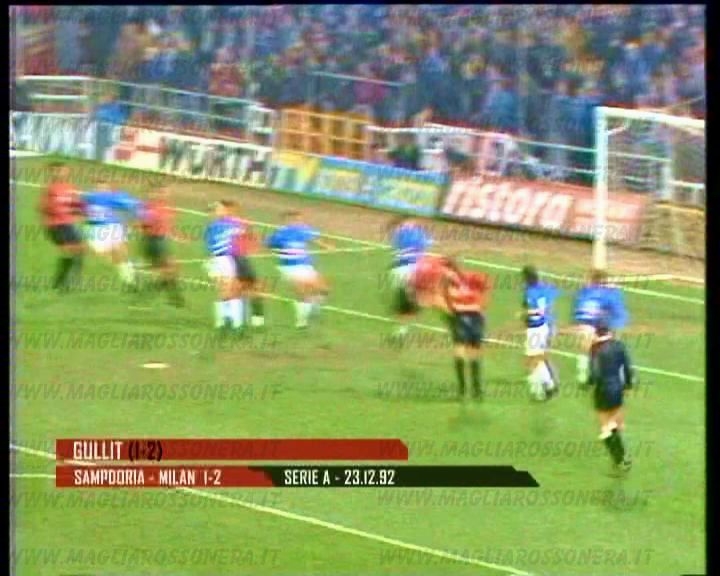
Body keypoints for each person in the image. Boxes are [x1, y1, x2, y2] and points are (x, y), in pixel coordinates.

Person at [265, 210, 333, 328]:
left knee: (324, 289)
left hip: (305, 265)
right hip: (291, 267)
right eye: (297, 219)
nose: (300, 222)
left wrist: (326, 246)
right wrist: (278, 252)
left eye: (300, 219)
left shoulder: (302, 230)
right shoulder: (280, 234)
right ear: (288, 220)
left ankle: (313, 310)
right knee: (304, 293)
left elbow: (313, 238)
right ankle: (301, 322)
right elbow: (269, 244)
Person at [440, 257, 492, 400]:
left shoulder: (465, 278)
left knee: (469, 352)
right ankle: (468, 390)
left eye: (445, 271)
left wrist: (483, 304)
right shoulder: (449, 284)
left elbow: (486, 284)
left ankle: (471, 390)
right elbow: (446, 302)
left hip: (470, 317)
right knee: (463, 352)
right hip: (465, 317)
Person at [588, 322, 634, 474]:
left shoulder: (595, 348)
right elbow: (627, 367)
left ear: (597, 333)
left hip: (602, 390)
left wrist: (590, 383)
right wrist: (628, 385)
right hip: (617, 389)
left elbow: (594, 373)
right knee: (615, 423)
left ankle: (619, 460)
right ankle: (623, 457)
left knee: (605, 426)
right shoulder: (619, 346)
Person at [572, 269, 629, 385]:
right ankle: (619, 377)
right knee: (610, 349)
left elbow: (579, 310)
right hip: (600, 325)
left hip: (592, 325)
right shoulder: (606, 293)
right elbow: (615, 311)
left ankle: (585, 375)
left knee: (589, 348)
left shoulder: (585, 293)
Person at [82, 179, 142, 289]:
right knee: (109, 254)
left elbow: (134, 205)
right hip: (96, 231)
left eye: (104, 188)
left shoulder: (111, 197)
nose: (101, 190)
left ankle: (130, 280)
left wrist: (136, 219)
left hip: (112, 227)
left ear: (108, 189)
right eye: (99, 187)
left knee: (120, 251)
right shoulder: (90, 197)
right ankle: (129, 272)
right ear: (95, 188)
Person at [37, 162, 85, 291]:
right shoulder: (50, 188)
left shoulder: (70, 187)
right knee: (69, 251)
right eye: (57, 171)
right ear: (53, 173)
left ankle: (70, 279)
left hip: (68, 224)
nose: (61, 173)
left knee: (80, 250)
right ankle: (62, 283)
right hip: (55, 225)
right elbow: (42, 208)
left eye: (63, 171)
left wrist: (80, 211)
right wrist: (47, 222)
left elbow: (76, 204)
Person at [138, 184, 184, 307]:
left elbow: (169, 225)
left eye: (166, 192)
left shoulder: (168, 208)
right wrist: (149, 224)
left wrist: (178, 236)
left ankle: (172, 298)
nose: (165, 195)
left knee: (170, 271)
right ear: (157, 193)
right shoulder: (149, 207)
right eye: (162, 192)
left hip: (161, 240)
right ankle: (173, 298)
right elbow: (144, 225)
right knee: (170, 269)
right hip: (153, 242)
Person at [204, 200, 247, 331]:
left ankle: (225, 322)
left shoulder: (233, 223)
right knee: (229, 291)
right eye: (217, 209)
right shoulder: (213, 227)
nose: (219, 211)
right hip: (222, 260)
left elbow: (242, 233)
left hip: (227, 260)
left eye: (221, 209)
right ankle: (233, 323)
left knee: (230, 291)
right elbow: (211, 246)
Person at [388, 216, 433, 339]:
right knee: (415, 296)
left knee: (407, 297)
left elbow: (395, 242)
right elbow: (427, 244)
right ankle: (417, 303)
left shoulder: (398, 234)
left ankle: (402, 326)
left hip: (398, 270)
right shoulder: (420, 233)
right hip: (413, 269)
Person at [521, 265, 560, 401]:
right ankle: (549, 385)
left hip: (537, 327)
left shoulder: (530, 292)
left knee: (534, 360)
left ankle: (540, 389)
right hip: (545, 325)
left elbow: (534, 310)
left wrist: (524, 313)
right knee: (539, 357)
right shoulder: (545, 288)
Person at [226, 203, 265, 327]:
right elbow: (253, 236)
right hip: (237, 258)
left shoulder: (236, 223)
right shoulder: (239, 223)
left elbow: (253, 236)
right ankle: (256, 320)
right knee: (253, 288)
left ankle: (233, 319)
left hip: (232, 258)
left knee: (238, 289)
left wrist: (254, 244)